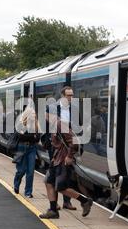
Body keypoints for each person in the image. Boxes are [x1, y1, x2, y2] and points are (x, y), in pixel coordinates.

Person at [39, 86, 94, 219]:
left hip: (63, 158)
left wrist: (69, 156)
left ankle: (85, 201)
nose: (45, 116)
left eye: (47, 114)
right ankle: (53, 210)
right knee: (48, 181)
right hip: (56, 157)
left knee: (61, 186)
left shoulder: (60, 124)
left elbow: (74, 140)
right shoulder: (54, 124)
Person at [13, 104, 40, 198]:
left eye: (34, 114)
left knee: (30, 171)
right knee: (21, 170)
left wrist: (31, 137)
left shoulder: (36, 124)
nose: (34, 116)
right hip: (21, 148)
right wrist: (32, 137)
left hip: (32, 149)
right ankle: (16, 184)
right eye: (32, 114)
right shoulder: (20, 123)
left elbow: (37, 138)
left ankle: (28, 192)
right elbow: (20, 137)